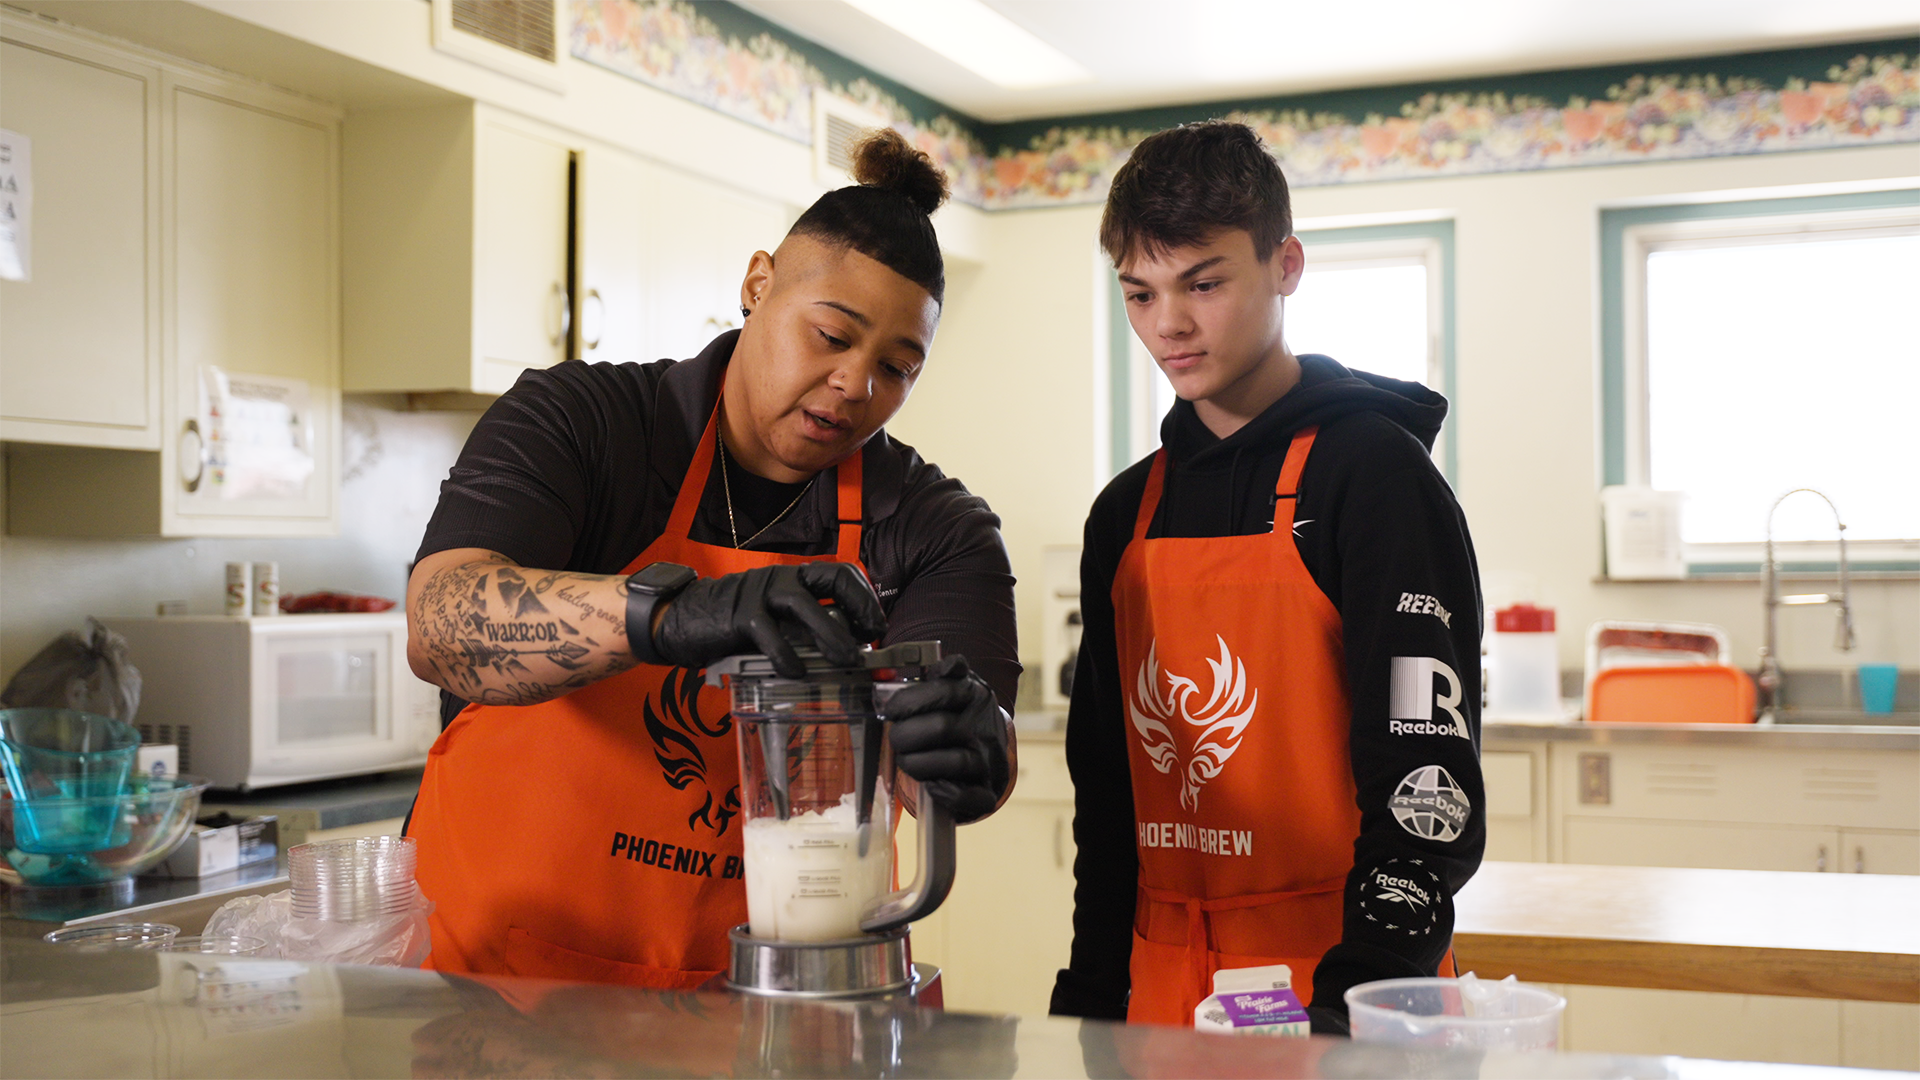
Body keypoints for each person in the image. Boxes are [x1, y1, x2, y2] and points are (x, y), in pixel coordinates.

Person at [403, 130, 1018, 987]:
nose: (856, 384)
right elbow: (440, 625)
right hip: (498, 992)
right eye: (830, 336)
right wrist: (662, 615)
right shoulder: (585, 422)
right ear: (758, 284)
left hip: (776, 1007)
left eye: (896, 366)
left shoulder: (935, 526)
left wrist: (970, 757)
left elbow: (944, 775)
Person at [1047, 121, 1484, 1033]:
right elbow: (1106, 798)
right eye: (1140, 293)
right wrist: (1089, 999)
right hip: (1162, 995)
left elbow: (1425, 788)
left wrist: (1350, 1011)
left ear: (1286, 265)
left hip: (1352, 988)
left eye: (1203, 283)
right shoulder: (1124, 515)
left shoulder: (1376, 479)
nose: (1168, 323)